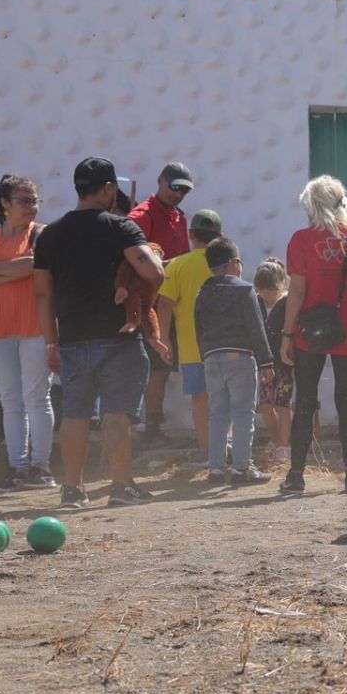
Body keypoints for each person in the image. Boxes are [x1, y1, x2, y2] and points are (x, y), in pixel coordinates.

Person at [33, 156, 166, 509]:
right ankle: (120, 487)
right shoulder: (121, 228)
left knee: (75, 414)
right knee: (117, 413)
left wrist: (51, 341)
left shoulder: (51, 235)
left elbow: (43, 294)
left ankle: (72, 490)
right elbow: (154, 271)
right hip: (119, 335)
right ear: (108, 188)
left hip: (73, 338)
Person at [279, 176, 347, 496]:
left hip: (310, 331)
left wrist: (286, 334)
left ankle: (295, 475)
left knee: (305, 400)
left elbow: (296, 292)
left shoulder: (301, 240)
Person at [0, 175, 55, 490]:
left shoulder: (39, 233)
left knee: (37, 398)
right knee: (11, 400)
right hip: (0, 330)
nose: (32, 207)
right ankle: (18, 468)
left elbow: (32, 266)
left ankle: (41, 467)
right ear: (5, 203)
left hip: (34, 327)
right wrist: (13, 270)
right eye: (24, 200)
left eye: (34, 201)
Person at [193, 238, 273, 489]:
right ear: (234, 263)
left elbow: (199, 328)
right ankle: (241, 468)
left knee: (217, 413)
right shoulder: (245, 290)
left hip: (212, 358)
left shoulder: (202, 293)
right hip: (240, 357)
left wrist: (204, 356)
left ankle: (215, 468)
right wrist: (267, 361)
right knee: (242, 413)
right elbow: (255, 328)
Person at [127, 161, 193, 440]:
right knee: (154, 366)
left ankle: (153, 420)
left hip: (173, 302)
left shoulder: (179, 216)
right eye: (174, 187)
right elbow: (131, 259)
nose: (178, 194)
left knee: (163, 365)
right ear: (160, 181)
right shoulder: (140, 216)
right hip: (148, 305)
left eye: (184, 190)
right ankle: (149, 422)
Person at [156, 209, 225, 467]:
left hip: (192, 348)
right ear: (220, 236)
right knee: (224, 398)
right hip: (225, 344)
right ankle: (225, 446)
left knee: (200, 399)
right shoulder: (225, 263)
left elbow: (164, 304)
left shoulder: (179, 265)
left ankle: (207, 451)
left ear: (191, 235)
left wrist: (164, 338)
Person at [253, 257, 294, 463]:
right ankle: (277, 439)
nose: (267, 294)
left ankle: (284, 446)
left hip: (285, 363)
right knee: (265, 405)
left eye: (272, 289)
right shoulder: (255, 303)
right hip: (262, 364)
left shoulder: (288, 302)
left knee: (283, 405)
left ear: (282, 285)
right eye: (263, 289)